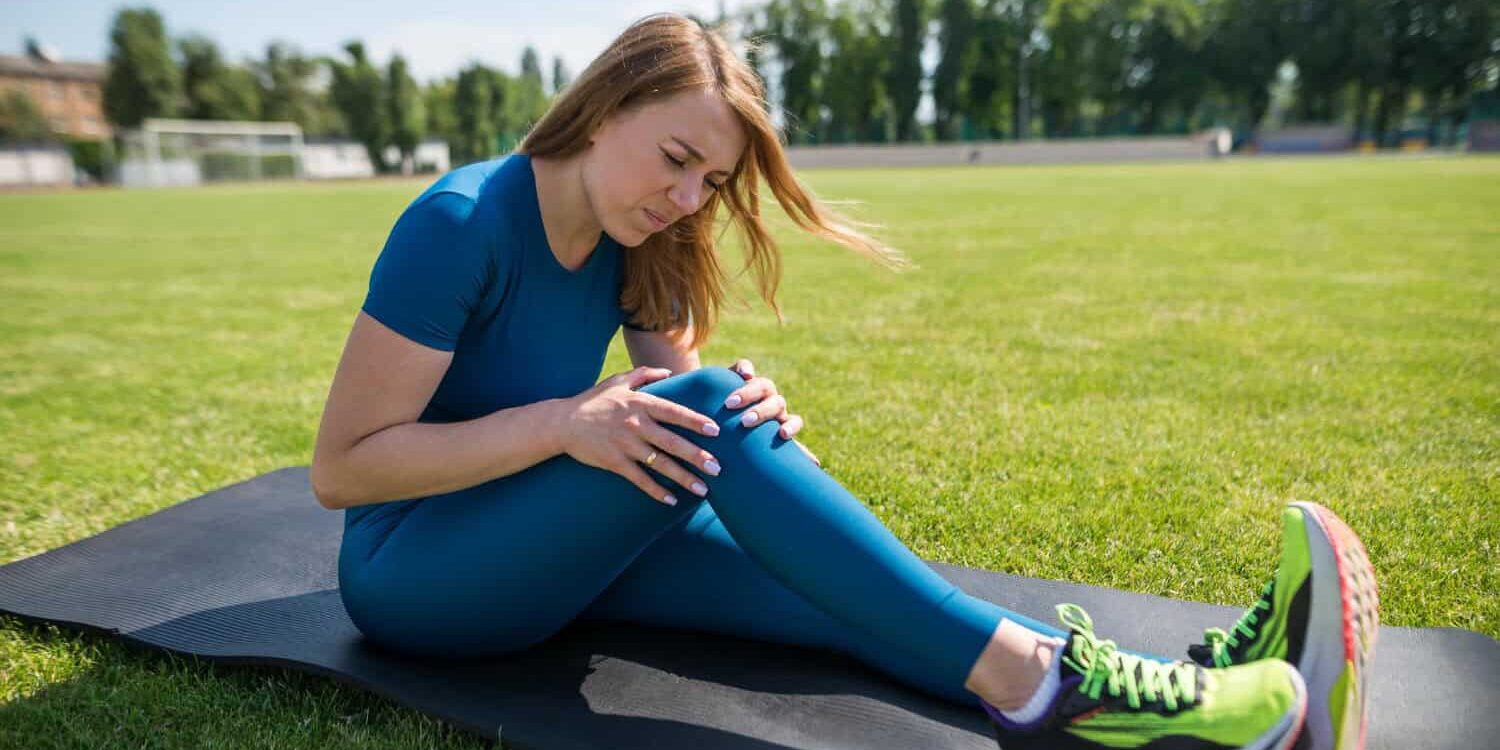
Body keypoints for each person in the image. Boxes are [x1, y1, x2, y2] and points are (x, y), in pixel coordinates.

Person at [310, 13, 1376, 749]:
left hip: (542, 545)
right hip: (419, 577)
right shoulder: (460, 225)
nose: (689, 199)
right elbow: (343, 470)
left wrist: (753, 429)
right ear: (603, 107)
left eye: (711, 181)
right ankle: (1040, 692)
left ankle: (1210, 696)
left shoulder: (641, 236)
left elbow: (688, 417)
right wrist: (564, 422)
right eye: (674, 158)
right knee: (711, 425)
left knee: (836, 594)